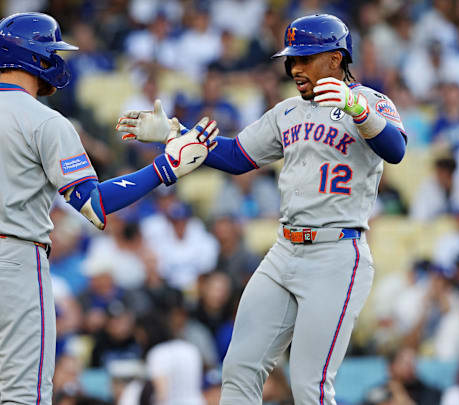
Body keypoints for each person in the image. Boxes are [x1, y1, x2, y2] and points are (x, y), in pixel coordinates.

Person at [0, 12, 217, 405]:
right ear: (33, 56)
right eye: (52, 51)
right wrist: (165, 167)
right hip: (13, 260)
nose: (58, 59)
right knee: (27, 397)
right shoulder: (44, 120)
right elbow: (95, 205)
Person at [116, 14, 407, 405]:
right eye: (292, 60)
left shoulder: (371, 102)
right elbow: (237, 156)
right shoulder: (286, 111)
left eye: (305, 58)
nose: (295, 68)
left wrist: (357, 107)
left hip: (336, 252)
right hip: (284, 249)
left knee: (311, 386)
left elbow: (396, 150)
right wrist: (174, 133)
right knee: (238, 369)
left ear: (336, 59)